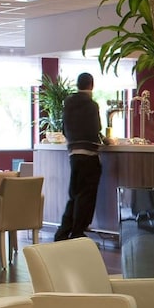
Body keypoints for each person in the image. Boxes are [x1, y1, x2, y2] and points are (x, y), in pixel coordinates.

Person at [54, 73, 105, 241]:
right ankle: (78, 232)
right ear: (92, 85)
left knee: (74, 194)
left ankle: (62, 232)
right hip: (89, 155)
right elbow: (96, 129)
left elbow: (64, 129)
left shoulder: (68, 103)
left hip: (73, 154)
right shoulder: (91, 105)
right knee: (86, 195)